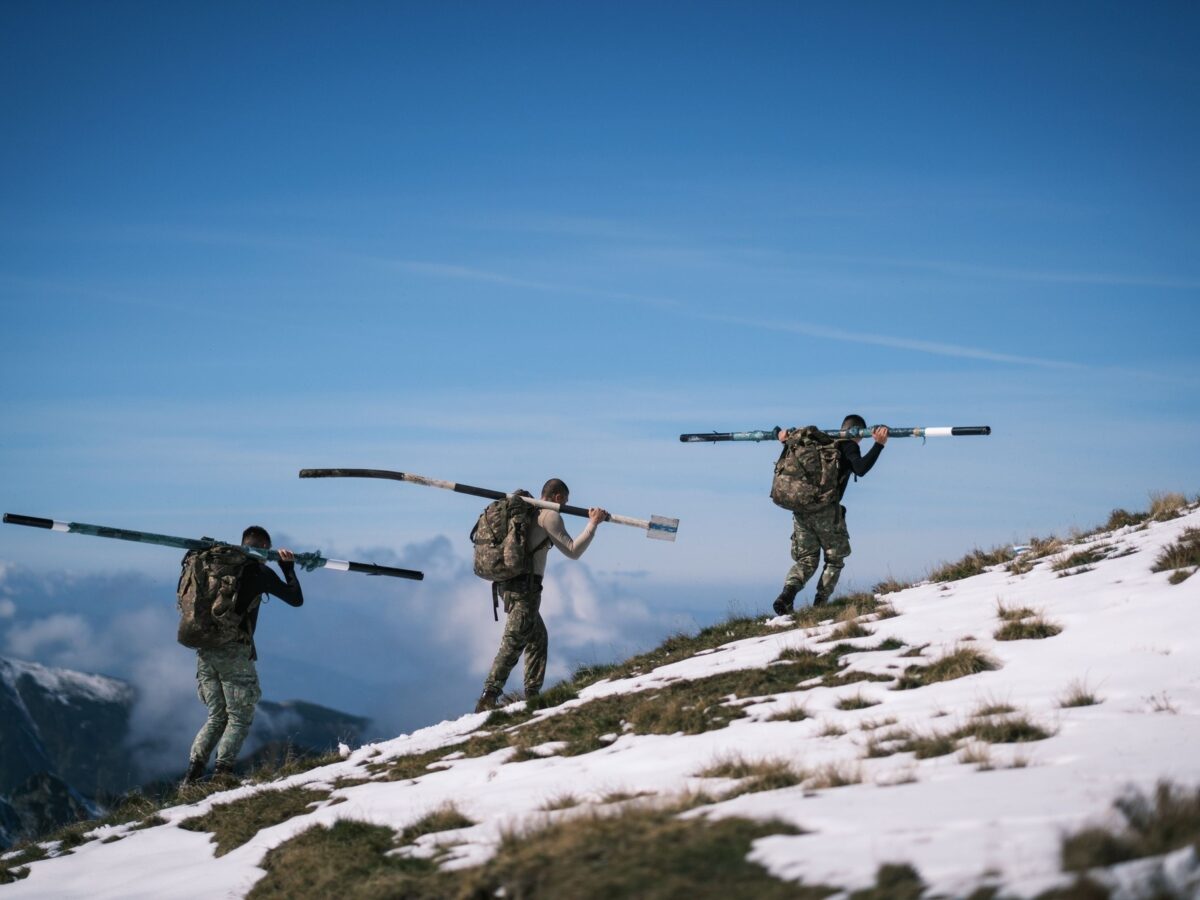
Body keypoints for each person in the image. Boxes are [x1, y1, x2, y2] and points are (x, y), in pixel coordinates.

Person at [183, 526, 304, 783]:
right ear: (263, 547)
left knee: (217, 717)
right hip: (234, 651)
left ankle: (191, 778)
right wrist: (287, 568)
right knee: (239, 717)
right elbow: (295, 599)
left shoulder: (216, 566)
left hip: (205, 648)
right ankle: (221, 776)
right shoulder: (259, 571)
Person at [474, 479, 606, 713]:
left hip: (510, 586)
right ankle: (488, 696)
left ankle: (532, 695)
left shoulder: (530, 512)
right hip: (525, 589)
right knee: (513, 642)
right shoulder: (549, 516)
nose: (565, 504)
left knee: (537, 638)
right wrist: (593, 524)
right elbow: (573, 550)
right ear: (557, 497)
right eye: (565, 500)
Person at [772, 415, 888, 614]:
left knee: (806, 559)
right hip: (826, 510)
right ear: (859, 432)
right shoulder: (848, 445)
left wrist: (783, 439)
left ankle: (787, 595)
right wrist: (879, 445)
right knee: (834, 559)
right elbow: (860, 469)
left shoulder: (819, 441)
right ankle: (820, 604)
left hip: (801, 509)